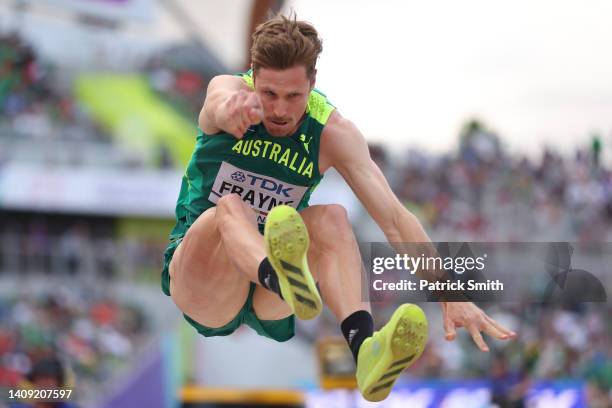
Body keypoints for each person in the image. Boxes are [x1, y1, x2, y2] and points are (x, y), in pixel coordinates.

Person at [162, 14, 516, 402]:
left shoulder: (334, 133)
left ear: (311, 85)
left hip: (271, 299)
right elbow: (218, 102)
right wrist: (232, 109)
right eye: (269, 94)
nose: (279, 110)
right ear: (253, 77)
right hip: (207, 283)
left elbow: (396, 220)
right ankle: (283, 276)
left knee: (333, 218)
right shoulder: (230, 93)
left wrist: (450, 294)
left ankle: (365, 351)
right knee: (231, 208)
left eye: (293, 96)